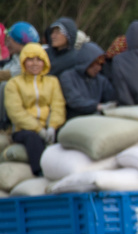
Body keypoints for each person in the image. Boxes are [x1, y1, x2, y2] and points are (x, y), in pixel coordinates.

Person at [4, 42, 66, 176]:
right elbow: (16, 113)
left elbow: (58, 106)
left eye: (39, 60)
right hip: (23, 129)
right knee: (32, 138)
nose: (35, 63)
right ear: (23, 62)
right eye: (30, 60)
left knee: (66, 133)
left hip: (49, 128)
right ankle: (40, 172)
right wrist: (39, 129)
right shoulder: (14, 84)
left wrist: (52, 127)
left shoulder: (52, 81)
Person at [59, 41, 116, 119]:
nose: (98, 68)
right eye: (96, 63)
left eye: (101, 64)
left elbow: (112, 98)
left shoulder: (101, 81)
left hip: (96, 120)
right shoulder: (67, 77)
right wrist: (97, 106)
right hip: (74, 122)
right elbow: (74, 100)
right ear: (86, 60)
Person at [0, 21, 40, 130]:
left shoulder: (29, 58)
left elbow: (9, 74)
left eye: (10, 41)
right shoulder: (16, 56)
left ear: (20, 42)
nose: (7, 45)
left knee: (4, 85)